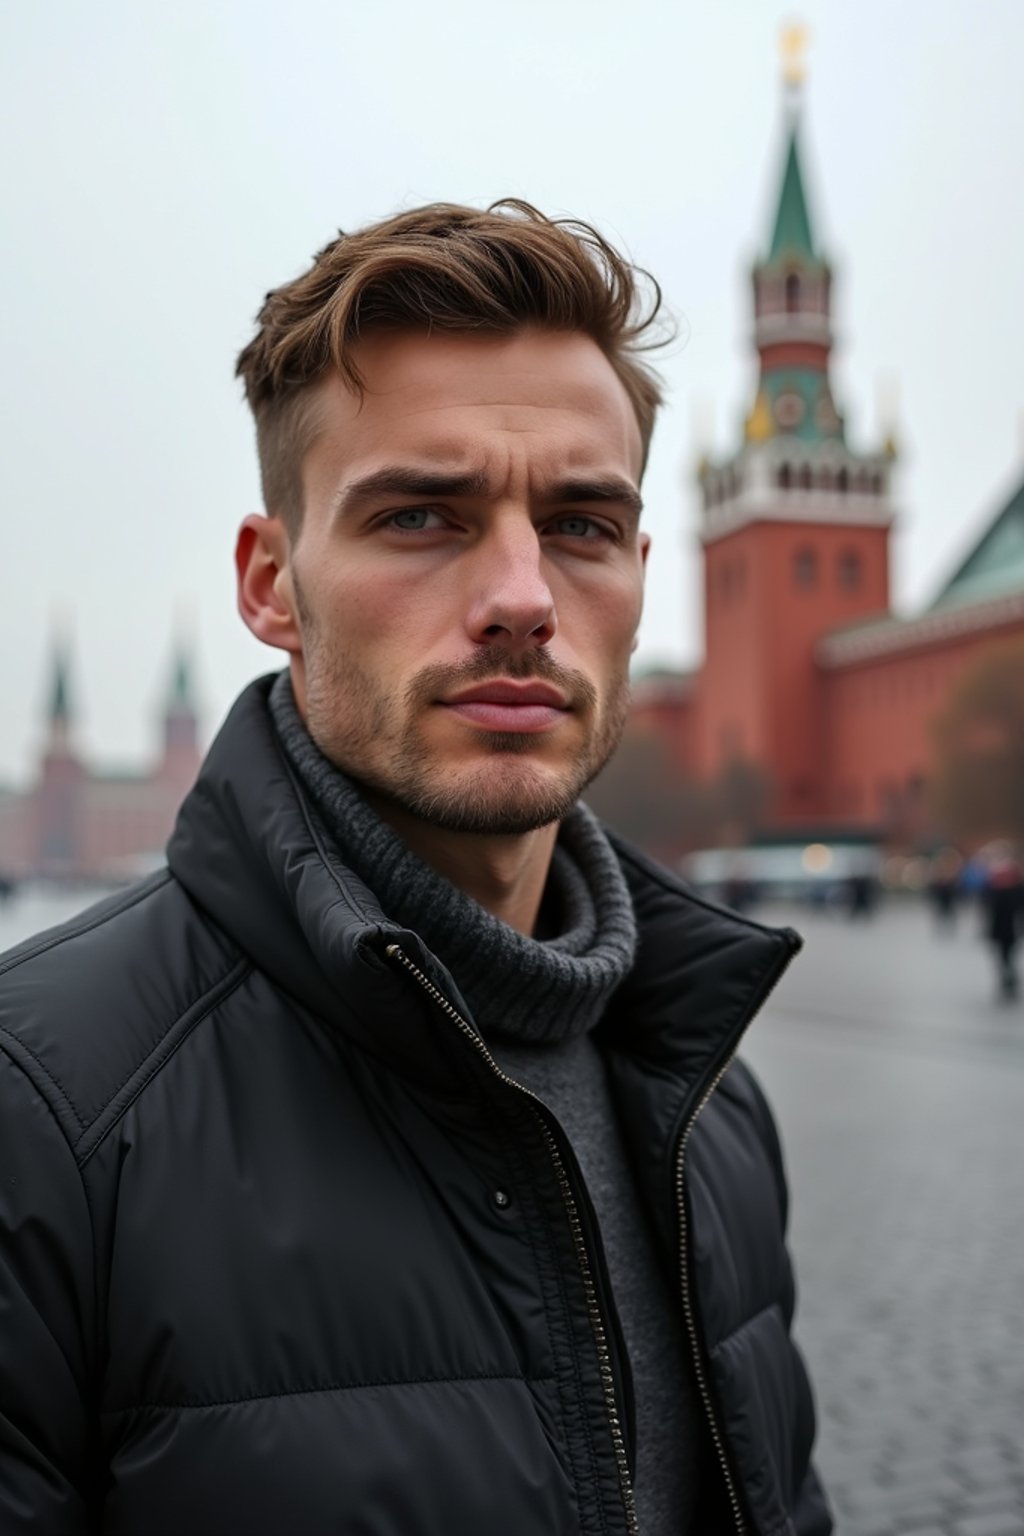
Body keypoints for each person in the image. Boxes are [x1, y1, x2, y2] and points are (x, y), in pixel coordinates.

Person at [0, 202, 830, 1534]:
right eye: (424, 516)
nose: (522, 594)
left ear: (637, 577)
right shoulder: (37, 1116)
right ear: (273, 584)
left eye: (580, 524)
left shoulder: (715, 1108)